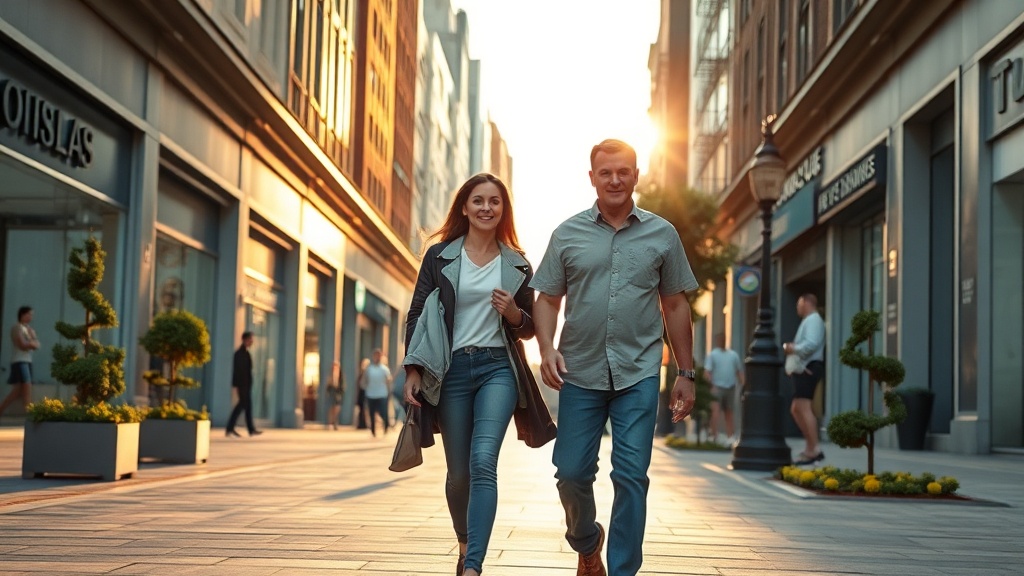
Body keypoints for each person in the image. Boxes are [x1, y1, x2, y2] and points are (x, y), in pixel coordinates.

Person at [531, 139, 698, 576]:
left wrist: (686, 372)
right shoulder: (567, 234)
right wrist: (546, 349)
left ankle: (623, 570)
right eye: (606, 172)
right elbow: (547, 299)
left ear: (636, 176)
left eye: (624, 171)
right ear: (592, 178)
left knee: (631, 475)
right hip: (578, 370)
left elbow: (675, 304)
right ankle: (587, 542)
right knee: (571, 473)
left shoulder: (663, 234)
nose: (615, 180)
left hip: (639, 372)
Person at [402, 173, 537, 576]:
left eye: (494, 201)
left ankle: (474, 565)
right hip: (452, 371)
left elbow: (530, 327)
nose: (486, 208)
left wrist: (514, 314)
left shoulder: (517, 263)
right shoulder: (439, 256)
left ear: (503, 209)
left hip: (498, 369)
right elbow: (416, 313)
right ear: (464, 206)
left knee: (483, 462)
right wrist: (413, 369)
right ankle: (464, 545)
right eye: (478, 200)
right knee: (458, 475)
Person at [783, 293, 826, 465]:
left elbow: (811, 344)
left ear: (807, 303)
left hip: (808, 368)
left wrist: (793, 348)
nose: (797, 307)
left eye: (799, 304)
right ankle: (810, 447)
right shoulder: (809, 320)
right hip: (805, 368)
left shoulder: (813, 320)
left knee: (803, 407)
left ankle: (814, 449)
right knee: (797, 408)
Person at [0, 306, 40, 420]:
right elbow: (22, 344)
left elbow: (36, 345)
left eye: (31, 315)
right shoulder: (17, 327)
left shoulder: (29, 329)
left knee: (18, 390)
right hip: (20, 361)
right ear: (22, 314)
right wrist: (31, 343)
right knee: (27, 386)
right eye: (28, 314)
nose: (30, 317)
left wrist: (32, 341)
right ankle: (30, 412)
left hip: (27, 361)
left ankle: (1, 410)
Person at [705, 332, 744, 445]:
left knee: (729, 412)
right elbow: (707, 372)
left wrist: (743, 384)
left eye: (723, 339)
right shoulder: (712, 355)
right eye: (719, 339)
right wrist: (711, 386)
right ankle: (714, 436)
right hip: (717, 387)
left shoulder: (733, 355)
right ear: (717, 341)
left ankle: (730, 436)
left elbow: (739, 371)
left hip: (730, 387)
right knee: (715, 412)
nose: (721, 341)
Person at [226, 331, 262, 437]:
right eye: (250, 339)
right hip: (242, 385)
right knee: (241, 405)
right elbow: (237, 371)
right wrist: (236, 385)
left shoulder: (246, 353)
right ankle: (230, 428)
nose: (252, 342)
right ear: (245, 339)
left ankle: (250, 429)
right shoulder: (239, 354)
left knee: (247, 406)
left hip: (246, 385)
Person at [362, 349, 392, 436]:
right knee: (371, 413)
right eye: (375, 356)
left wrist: (388, 389)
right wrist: (365, 387)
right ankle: (373, 430)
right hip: (371, 394)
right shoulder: (369, 369)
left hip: (382, 394)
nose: (377, 358)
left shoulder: (384, 369)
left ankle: (386, 426)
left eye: (379, 356)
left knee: (383, 412)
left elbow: (389, 380)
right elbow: (364, 380)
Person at [326, 361, 344, 430]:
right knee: (331, 409)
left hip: (338, 393)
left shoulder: (341, 375)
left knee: (337, 408)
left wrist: (341, 392)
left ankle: (335, 422)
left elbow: (343, 384)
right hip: (332, 392)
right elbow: (328, 385)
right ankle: (330, 423)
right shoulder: (330, 376)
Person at [355, 357, 370, 429]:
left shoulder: (368, 373)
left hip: (367, 393)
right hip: (361, 393)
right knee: (361, 409)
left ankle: (366, 423)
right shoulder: (361, 373)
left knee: (366, 409)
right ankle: (361, 424)